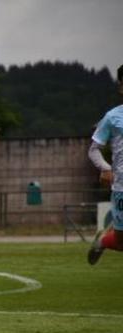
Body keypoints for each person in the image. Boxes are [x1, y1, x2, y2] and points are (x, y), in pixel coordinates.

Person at [86, 63, 123, 265]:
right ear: (121, 87)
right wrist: (106, 168)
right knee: (121, 242)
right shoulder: (112, 117)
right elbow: (93, 150)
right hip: (121, 188)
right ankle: (103, 240)